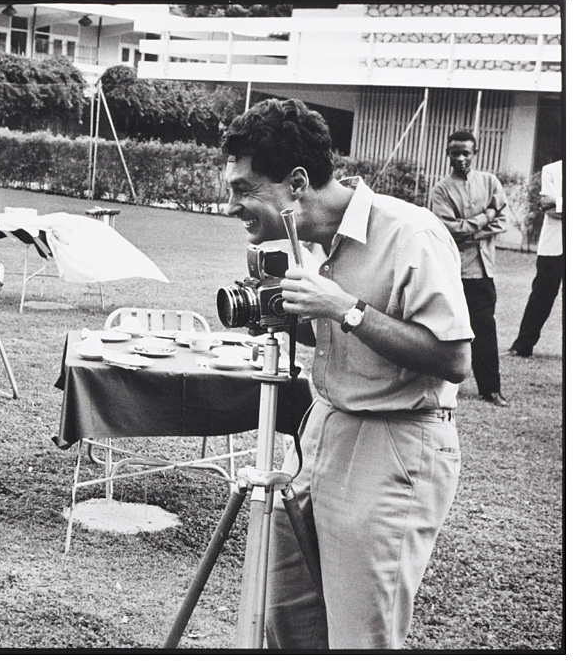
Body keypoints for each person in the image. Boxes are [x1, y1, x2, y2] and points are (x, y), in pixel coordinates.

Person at [221, 98, 473, 649]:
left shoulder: (411, 233)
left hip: (395, 445)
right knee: (285, 618)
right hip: (321, 433)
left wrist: (345, 308)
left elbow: (455, 359)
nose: (232, 205)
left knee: (361, 635)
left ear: (296, 182)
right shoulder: (306, 240)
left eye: (243, 189)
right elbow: (327, 338)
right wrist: (284, 309)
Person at [431, 130, 510, 407]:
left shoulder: (489, 182)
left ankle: (490, 388)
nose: (461, 158)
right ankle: (438, 384)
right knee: (446, 328)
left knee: (485, 329)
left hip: (483, 271)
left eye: (466, 152)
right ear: (447, 154)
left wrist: (472, 230)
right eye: (455, 152)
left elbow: (504, 221)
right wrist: (484, 216)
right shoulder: (441, 190)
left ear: (474, 153)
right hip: (454, 270)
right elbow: (448, 229)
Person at [507, 159, 563, 357]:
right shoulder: (552, 170)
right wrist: (553, 204)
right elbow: (548, 210)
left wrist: (558, 200)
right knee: (541, 295)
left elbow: (553, 205)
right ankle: (522, 345)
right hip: (554, 244)